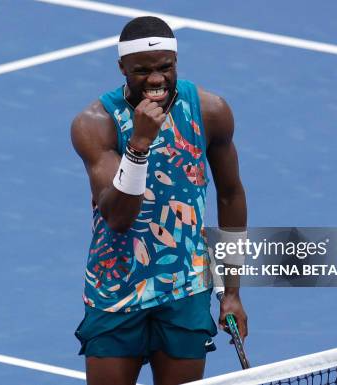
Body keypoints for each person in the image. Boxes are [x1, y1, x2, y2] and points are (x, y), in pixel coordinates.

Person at [71, 16, 248, 385]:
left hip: (184, 289)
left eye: (165, 67)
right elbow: (118, 217)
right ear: (122, 68)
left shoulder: (211, 112)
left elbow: (230, 194)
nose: (156, 79)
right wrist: (138, 145)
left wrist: (231, 292)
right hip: (116, 290)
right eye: (142, 71)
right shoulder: (95, 123)